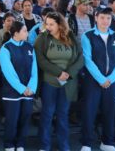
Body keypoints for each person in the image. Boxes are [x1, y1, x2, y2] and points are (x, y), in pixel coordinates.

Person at [80, 8, 115, 151]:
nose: (105, 21)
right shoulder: (87, 36)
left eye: (108, 18)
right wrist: (101, 79)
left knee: (110, 112)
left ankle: (107, 142)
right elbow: (87, 59)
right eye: (102, 17)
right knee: (89, 112)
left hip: (112, 82)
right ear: (96, 18)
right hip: (93, 81)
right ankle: (86, 143)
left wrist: (111, 78)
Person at [34, 12, 83, 151]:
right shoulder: (42, 38)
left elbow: (80, 58)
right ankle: (44, 145)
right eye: (46, 24)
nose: (48, 27)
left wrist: (69, 74)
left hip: (68, 83)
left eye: (51, 24)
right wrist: (58, 73)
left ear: (60, 25)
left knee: (63, 114)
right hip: (50, 82)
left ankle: (64, 145)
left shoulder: (71, 37)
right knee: (47, 114)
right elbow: (40, 60)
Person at [0, 21, 37, 151]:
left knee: (25, 119)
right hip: (11, 92)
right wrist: (22, 89)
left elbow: (34, 70)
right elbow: (9, 73)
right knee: (12, 120)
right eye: (25, 31)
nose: (28, 33)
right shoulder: (6, 48)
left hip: (28, 91)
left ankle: (20, 144)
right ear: (16, 33)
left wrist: (31, 88)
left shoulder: (30, 47)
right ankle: (9, 145)